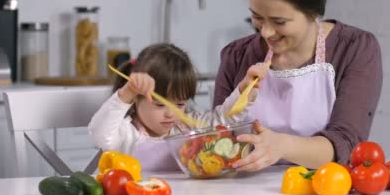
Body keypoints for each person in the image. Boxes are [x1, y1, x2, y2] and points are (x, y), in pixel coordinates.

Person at [213, 0, 383, 172]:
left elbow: (347, 143)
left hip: (324, 192)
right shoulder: (237, 55)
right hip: (244, 194)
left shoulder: (354, 49)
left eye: (279, 22)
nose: (265, 32)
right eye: (257, 17)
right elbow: (214, 141)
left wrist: (283, 146)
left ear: (313, 13)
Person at [89, 43, 267, 171]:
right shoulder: (126, 134)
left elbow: (224, 119)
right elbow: (100, 134)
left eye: (180, 104)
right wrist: (126, 93)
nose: (171, 114)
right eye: (160, 104)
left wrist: (245, 89)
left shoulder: (186, 126)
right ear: (136, 99)